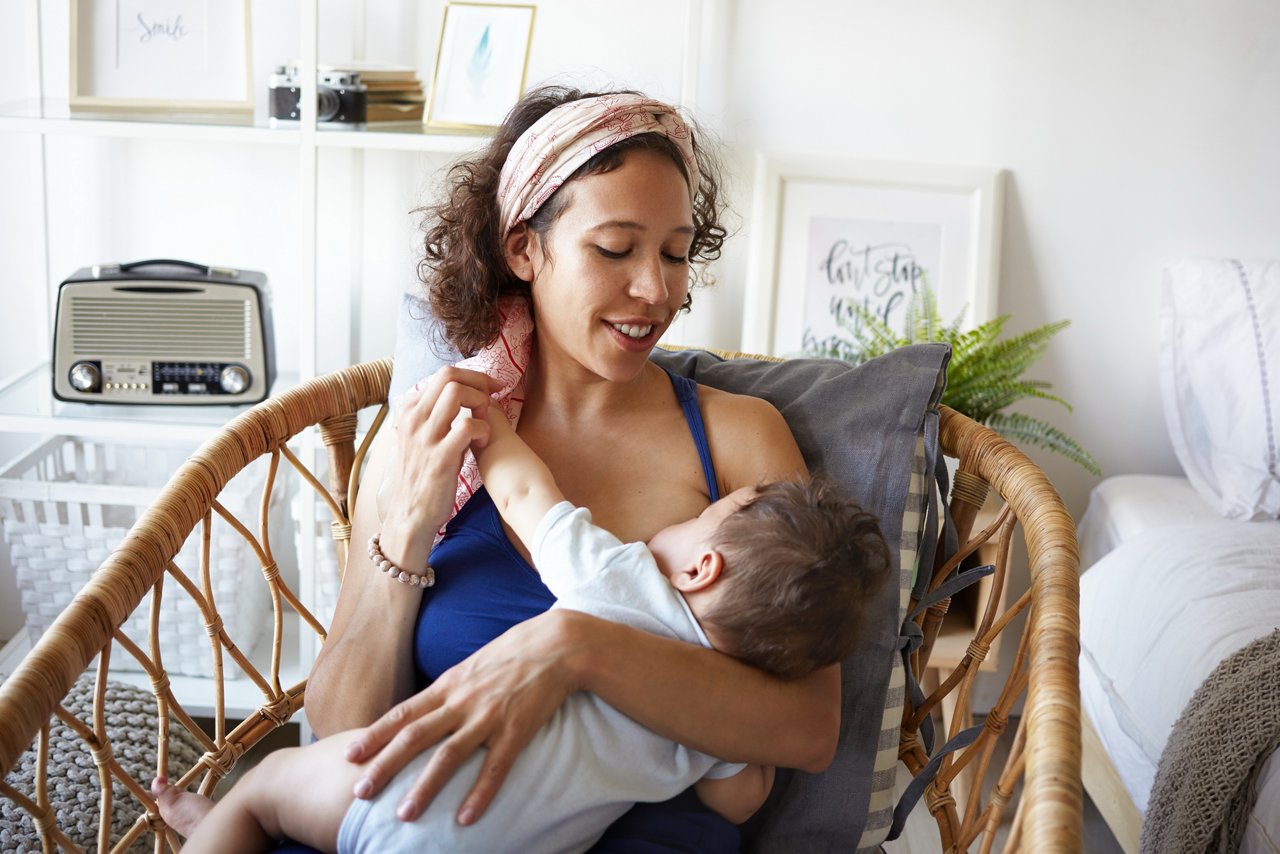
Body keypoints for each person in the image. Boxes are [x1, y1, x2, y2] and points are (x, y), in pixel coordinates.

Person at [262, 85, 848, 852]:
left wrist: (576, 649)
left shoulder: (739, 439)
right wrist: (405, 534)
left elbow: (807, 729)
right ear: (523, 249)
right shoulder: (436, 438)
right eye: (615, 249)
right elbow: (343, 731)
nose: (657, 290)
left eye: (676, 253)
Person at [154, 401, 890, 853]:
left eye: (710, 514)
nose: (657, 286)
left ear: (700, 568)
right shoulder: (714, 722)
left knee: (266, 788)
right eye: (615, 249)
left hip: (409, 798)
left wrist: (491, 429)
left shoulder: (621, 579)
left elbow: (527, 495)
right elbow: (742, 798)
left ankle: (221, 830)